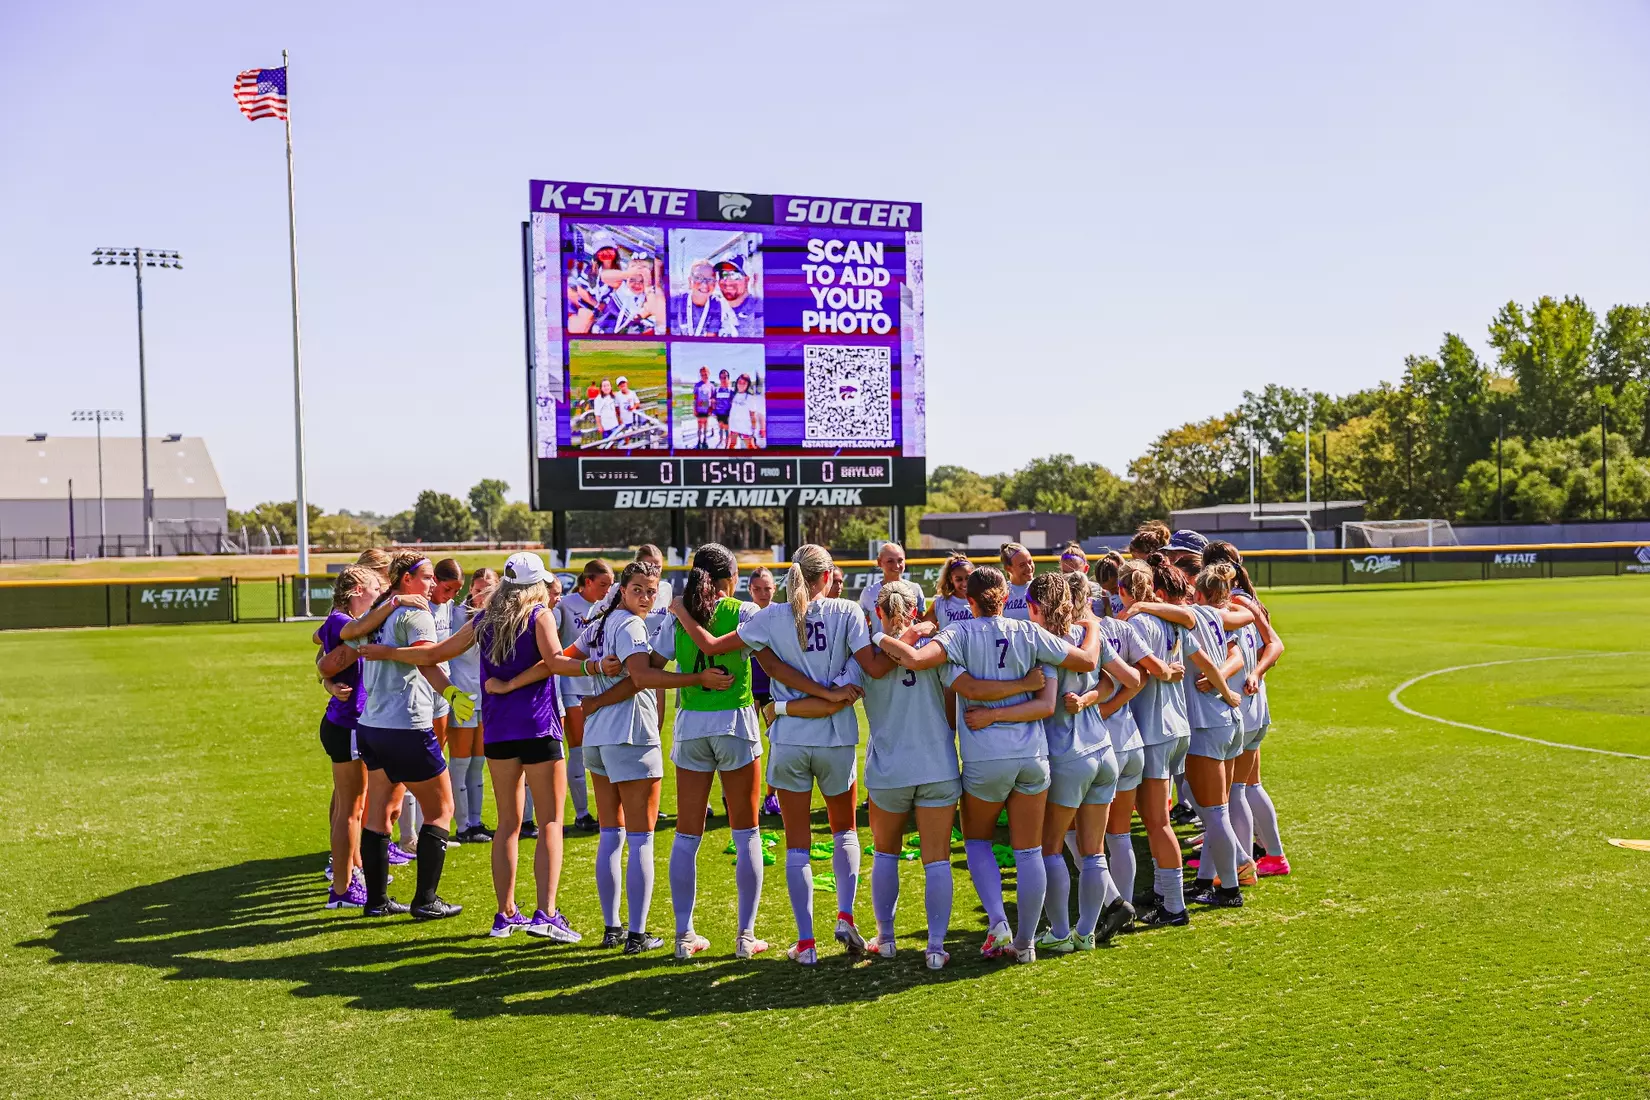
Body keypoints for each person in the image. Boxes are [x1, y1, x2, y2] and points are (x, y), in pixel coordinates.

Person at [873, 565, 1113, 963]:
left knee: (978, 841)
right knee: (1029, 851)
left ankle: (999, 923)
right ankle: (1026, 944)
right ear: (1006, 597)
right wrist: (1091, 625)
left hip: (986, 756)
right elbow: (1088, 663)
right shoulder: (1029, 630)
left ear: (969, 600)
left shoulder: (959, 631)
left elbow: (915, 661)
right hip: (1033, 756)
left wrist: (876, 634)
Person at [668, 545, 876, 965]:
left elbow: (720, 647)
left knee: (797, 845)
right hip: (835, 736)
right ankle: (845, 914)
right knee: (845, 832)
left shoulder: (770, 616)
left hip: (789, 739)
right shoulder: (848, 611)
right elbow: (871, 665)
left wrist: (680, 611)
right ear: (828, 575)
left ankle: (805, 943)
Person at [566, 560, 731, 955]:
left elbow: (559, 659)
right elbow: (641, 676)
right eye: (637, 588)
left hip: (598, 738)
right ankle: (636, 934)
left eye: (651, 590)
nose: (645, 596)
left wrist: (591, 688)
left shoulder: (600, 621)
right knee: (639, 836)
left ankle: (613, 928)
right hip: (629, 735)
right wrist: (697, 678)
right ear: (622, 590)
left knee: (611, 833)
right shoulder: (630, 624)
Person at [834, 581, 976, 969]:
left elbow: (840, 693)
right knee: (937, 861)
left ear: (877, 612)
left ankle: (888, 939)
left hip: (889, 770)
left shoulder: (864, 655)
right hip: (938, 765)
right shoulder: (936, 647)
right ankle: (934, 947)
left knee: (885, 855)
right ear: (915, 611)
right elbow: (953, 703)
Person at [650, 545, 773, 959]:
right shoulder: (745, 612)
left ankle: (684, 936)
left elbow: (651, 666)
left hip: (691, 727)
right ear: (728, 579)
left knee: (686, 835)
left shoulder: (677, 617)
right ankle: (745, 936)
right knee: (747, 832)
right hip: (735, 723)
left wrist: (692, 677)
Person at [340, 552, 475, 919]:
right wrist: (450, 692)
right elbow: (426, 657)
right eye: (428, 577)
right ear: (406, 579)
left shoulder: (379, 611)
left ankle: (377, 901)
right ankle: (426, 899)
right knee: (443, 809)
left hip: (371, 726)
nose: (433, 584)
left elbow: (347, 635)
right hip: (407, 725)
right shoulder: (416, 613)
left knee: (378, 814)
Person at [1125, 560, 1253, 908]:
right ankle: (1207, 881)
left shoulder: (1189, 615)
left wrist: (1140, 605)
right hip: (1227, 718)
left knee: (1214, 813)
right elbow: (1232, 643)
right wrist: (1228, 692)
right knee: (1217, 809)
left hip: (1206, 722)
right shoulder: (1213, 615)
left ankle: (1231, 886)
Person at [1027, 573, 1144, 953]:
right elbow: (1126, 679)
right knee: (1094, 851)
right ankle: (1086, 933)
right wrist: (1094, 700)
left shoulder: (1038, 640)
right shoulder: (1086, 632)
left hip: (1067, 756)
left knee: (1050, 847)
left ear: (1034, 606)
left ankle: (1060, 932)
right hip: (1103, 751)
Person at [1202, 541, 1290, 877]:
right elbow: (1275, 644)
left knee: (1235, 790)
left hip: (1238, 702)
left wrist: (1251, 672)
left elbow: (1267, 646)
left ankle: (1239, 863)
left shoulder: (1233, 604)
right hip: (1254, 701)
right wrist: (1258, 673)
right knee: (1249, 785)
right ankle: (1271, 856)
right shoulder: (1249, 600)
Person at [1114, 557, 1192, 927]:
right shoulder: (1168, 616)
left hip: (1155, 728)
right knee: (1155, 816)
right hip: (1175, 724)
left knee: (1157, 821)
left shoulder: (1137, 623)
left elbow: (1144, 674)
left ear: (1122, 590)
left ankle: (1174, 907)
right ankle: (1163, 892)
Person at [312, 565, 381, 909]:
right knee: (350, 812)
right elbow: (355, 632)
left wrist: (326, 676)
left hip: (346, 723)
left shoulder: (338, 621)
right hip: (349, 724)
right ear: (355, 590)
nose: (379, 593)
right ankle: (342, 889)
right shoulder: (343, 621)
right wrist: (395, 604)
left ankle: (349, 875)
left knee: (347, 807)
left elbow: (320, 648)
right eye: (374, 588)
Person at [556, 559, 614, 834]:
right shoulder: (565, 606)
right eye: (603, 584)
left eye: (611, 585)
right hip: (573, 686)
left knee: (604, 746)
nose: (607, 590)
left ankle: (609, 811)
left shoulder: (610, 606)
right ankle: (582, 813)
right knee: (578, 749)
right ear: (587, 582)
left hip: (602, 685)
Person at [448, 567, 497, 844]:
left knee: (478, 763)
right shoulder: (457, 614)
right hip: (462, 697)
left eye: (488, 589)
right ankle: (461, 825)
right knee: (460, 761)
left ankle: (475, 822)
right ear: (471, 589)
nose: (482, 595)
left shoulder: (499, 617)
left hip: (487, 697)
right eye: (478, 589)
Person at [746, 566, 784, 819]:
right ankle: (745, 798)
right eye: (758, 589)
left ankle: (772, 796)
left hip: (773, 686)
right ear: (749, 590)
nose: (763, 593)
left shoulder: (781, 615)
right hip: (748, 686)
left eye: (767, 588)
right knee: (746, 744)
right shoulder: (743, 615)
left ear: (775, 589)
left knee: (777, 741)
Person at [858, 542, 927, 626]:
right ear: (879, 562)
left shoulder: (915, 588)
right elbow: (863, 625)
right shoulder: (869, 592)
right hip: (880, 639)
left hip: (907, 639)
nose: (897, 566)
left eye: (900, 560)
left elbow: (920, 623)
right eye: (890, 561)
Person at [672, 261, 728, 338]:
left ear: (715, 283)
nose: (704, 284)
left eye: (710, 279)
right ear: (689, 281)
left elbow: (710, 339)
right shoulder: (674, 301)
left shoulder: (716, 304)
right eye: (698, 278)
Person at [714, 257, 762, 338]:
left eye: (735, 275)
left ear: (747, 279)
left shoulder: (762, 312)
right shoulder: (714, 309)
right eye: (723, 274)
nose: (728, 281)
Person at [927, 553, 974, 626]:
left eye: (968, 578)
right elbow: (923, 628)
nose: (964, 583)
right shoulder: (941, 603)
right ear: (951, 579)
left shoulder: (980, 602)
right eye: (959, 579)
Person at [999, 542, 1035, 620]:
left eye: (1030, 562)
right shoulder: (1001, 592)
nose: (1029, 568)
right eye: (1022, 565)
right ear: (1008, 568)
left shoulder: (1040, 588)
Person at [728, 374, 763, 449]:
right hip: (734, 426)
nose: (741, 385)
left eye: (744, 383)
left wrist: (753, 429)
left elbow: (752, 415)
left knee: (750, 446)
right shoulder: (734, 395)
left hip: (745, 428)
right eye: (740, 382)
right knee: (732, 445)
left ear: (748, 385)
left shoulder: (750, 397)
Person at [691, 365, 717, 449]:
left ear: (709, 374)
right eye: (702, 374)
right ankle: (699, 441)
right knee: (699, 426)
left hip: (707, 409)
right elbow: (695, 398)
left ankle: (705, 440)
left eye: (705, 374)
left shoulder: (711, 386)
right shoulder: (697, 385)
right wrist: (694, 409)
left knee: (706, 425)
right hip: (699, 409)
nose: (704, 376)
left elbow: (713, 398)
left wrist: (712, 409)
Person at [713, 370, 735, 449]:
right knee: (720, 428)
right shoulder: (716, 390)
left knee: (727, 431)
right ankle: (721, 441)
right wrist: (713, 413)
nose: (723, 379)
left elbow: (734, 404)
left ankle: (726, 446)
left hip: (727, 415)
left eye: (725, 377)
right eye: (721, 377)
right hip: (718, 414)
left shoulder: (731, 391)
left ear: (728, 378)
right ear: (719, 378)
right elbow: (713, 402)